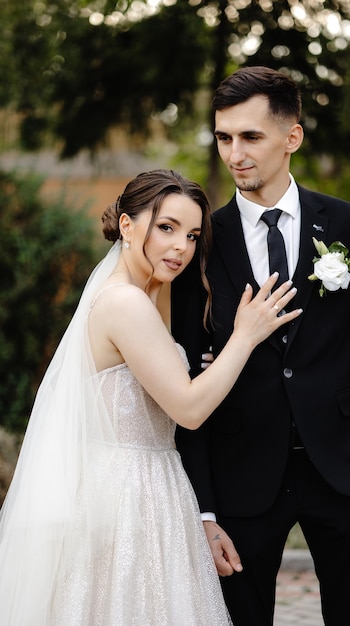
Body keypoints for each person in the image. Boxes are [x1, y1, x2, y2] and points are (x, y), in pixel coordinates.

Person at [0, 169, 302, 625]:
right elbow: (189, 408)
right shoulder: (124, 303)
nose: (182, 246)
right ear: (126, 225)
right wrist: (245, 336)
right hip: (125, 494)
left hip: (155, 483)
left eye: (192, 234)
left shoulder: (151, 294)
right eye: (167, 228)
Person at [172, 67, 350, 626]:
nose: (235, 154)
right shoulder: (201, 241)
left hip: (346, 467)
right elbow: (187, 378)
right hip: (242, 474)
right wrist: (203, 508)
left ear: (292, 138)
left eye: (251, 137)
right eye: (224, 137)